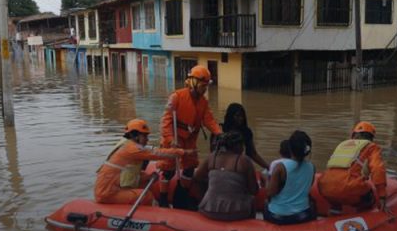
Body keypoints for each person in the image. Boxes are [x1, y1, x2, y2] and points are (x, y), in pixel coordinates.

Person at [158, 65, 222, 208]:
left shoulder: (203, 103)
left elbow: (209, 120)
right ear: (194, 83)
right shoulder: (176, 97)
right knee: (167, 169)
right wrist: (170, 140)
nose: (205, 89)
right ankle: (162, 198)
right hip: (174, 138)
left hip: (190, 139)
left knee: (189, 168)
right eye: (203, 85)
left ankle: (182, 195)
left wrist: (218, 132)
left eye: (206, 86)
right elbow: (166, 121)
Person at [95, 119, 192, 205]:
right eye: (145, 136)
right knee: (147, 196)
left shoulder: (127, 145)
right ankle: (158, 215)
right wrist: (183, 152)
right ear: (135, 136)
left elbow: (129, 174)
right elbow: (156, 153)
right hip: (108, 193)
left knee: (145, 182)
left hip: (111, 188)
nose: (147, 139)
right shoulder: (132, 149)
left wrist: (148, 177)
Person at [318, 121, 387, 212]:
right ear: (371, 137)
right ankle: (363, 218)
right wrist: (382, 195)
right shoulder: (372, 147)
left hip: (324, 187)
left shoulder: (342, 144)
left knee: (335, 197)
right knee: (368, 198)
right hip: (349, 187)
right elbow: (378, 169)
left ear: (353, 135)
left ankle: (334, 213)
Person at [194, 131, 258, 221]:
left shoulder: (212, 157)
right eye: (241, 145)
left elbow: (197, 177)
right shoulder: (244, 160)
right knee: (251, 199)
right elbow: (253, 190)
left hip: (208, 210)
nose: (243, 148)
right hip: (237, 213)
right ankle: (250, 229)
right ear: (237, 146)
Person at [264, 131, 316, 225]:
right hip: (303, 215)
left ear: (290, 148)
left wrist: (267, 178)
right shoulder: (312, 167)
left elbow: (270, 192)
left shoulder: (280, 167)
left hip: (279, 217)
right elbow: (308, 188)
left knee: (266, 203)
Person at [217, 103, 269, 170]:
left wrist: (268, 167)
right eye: (237, 116)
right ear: (230, 116)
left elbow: (252, 153)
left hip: (240, 166)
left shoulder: (246, 132)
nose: (240, 118)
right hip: (220, 166)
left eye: (242, 116)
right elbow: (214, 151)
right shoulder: (220, 130)